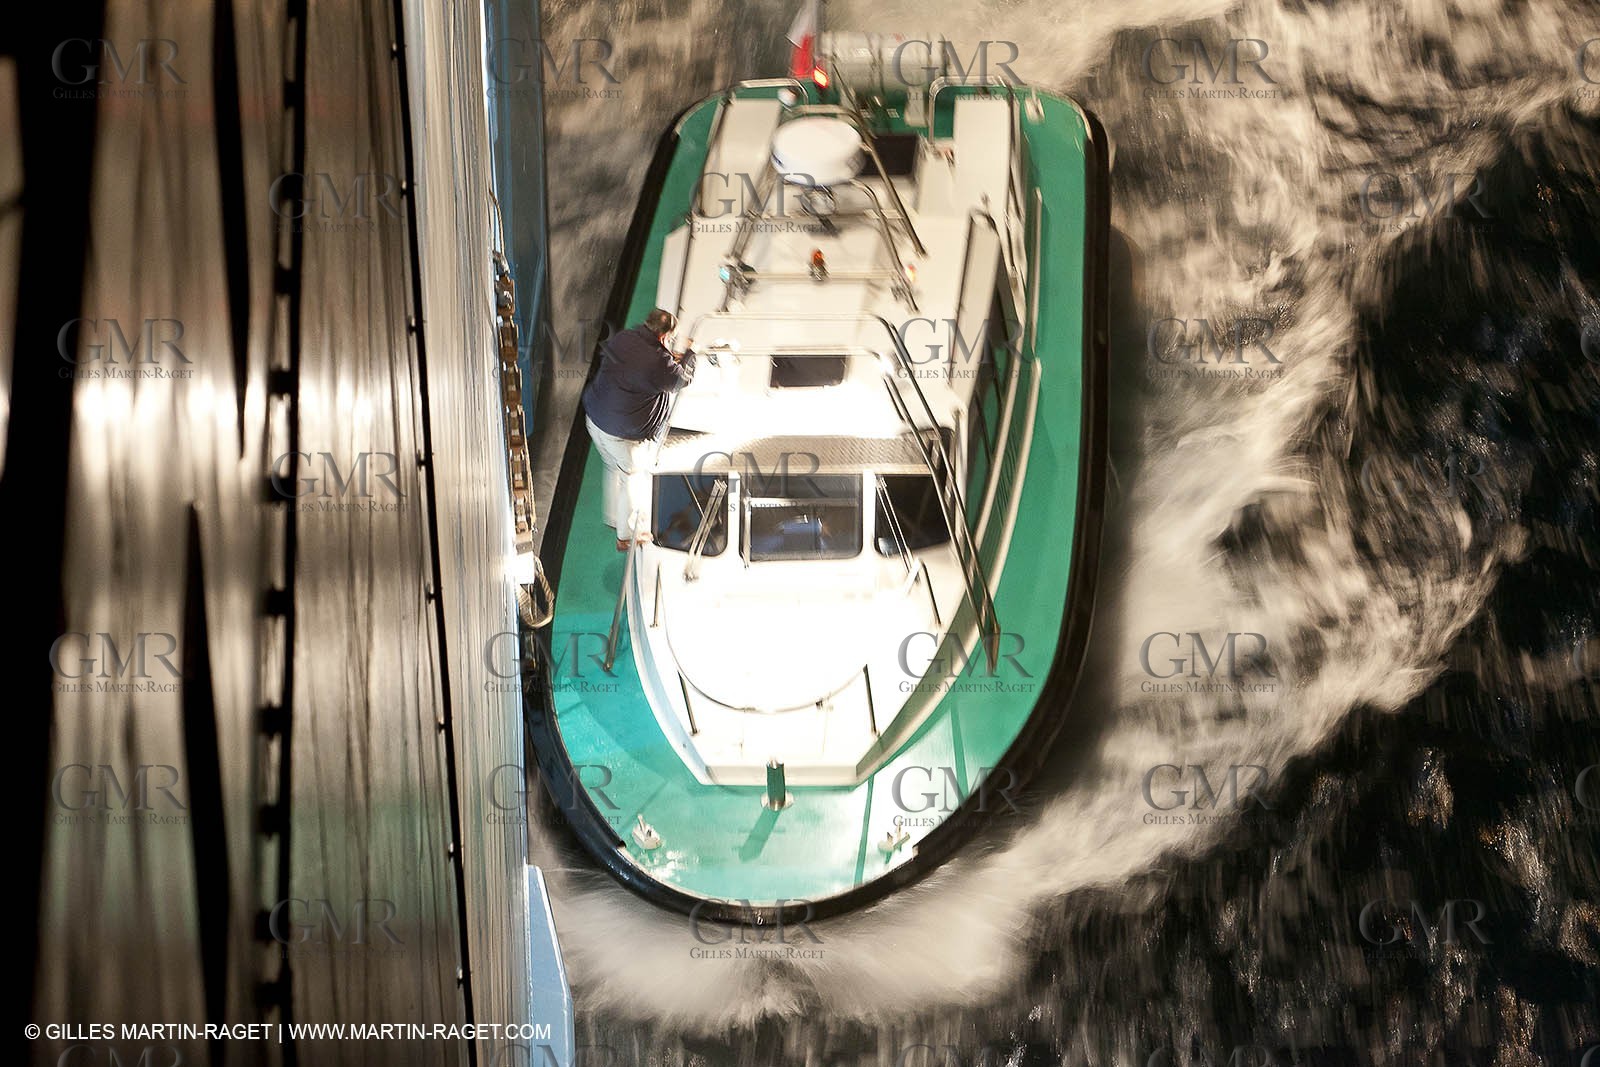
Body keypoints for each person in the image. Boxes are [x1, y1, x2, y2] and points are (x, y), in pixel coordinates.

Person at [582, 308, 696, 550]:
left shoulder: (623, 338)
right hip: (619, 434)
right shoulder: (658, 362)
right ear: (665, 336)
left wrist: (668, 358)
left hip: (595, 420)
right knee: (631, 478)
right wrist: (689, 354)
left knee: (613, 467)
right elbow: (680, 380)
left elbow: (639, 366)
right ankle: (626, 536)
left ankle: (613, 518)